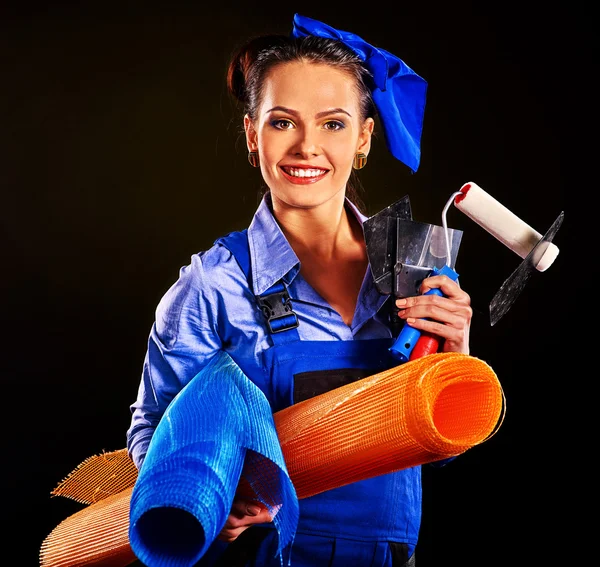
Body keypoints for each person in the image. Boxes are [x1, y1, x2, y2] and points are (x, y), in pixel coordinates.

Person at [126, 13, 472, 567]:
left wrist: (456, 364)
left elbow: (435, 453)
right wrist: (219, 498)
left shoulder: (417, 268)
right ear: (251, 134)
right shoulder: (213, 285)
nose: (307, 146)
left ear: (363, 138)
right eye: (283, 122)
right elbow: (154, 435)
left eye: (333, 124)